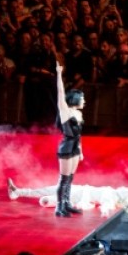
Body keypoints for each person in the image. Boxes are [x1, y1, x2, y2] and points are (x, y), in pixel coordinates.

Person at [7, 178, 128, 217]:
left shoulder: (110, 198)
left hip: (76, 195)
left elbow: (105, 207)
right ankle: (17, 192)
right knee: (48, 192)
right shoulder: (111, 194)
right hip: (77, 192)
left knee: (46, 198)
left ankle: (17, 192)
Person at [54, 61, 85, 218]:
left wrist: (80, 151)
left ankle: (67, 203)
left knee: (70, 178)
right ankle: (59, 207)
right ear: (75, 99)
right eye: (82, 98)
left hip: (75, 147)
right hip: (66, 147)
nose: (84, 101)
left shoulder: (79, 114)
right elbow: (60, 93)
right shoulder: (65, 111)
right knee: (64, 178)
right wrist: (59, 73)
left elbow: (79, 135)